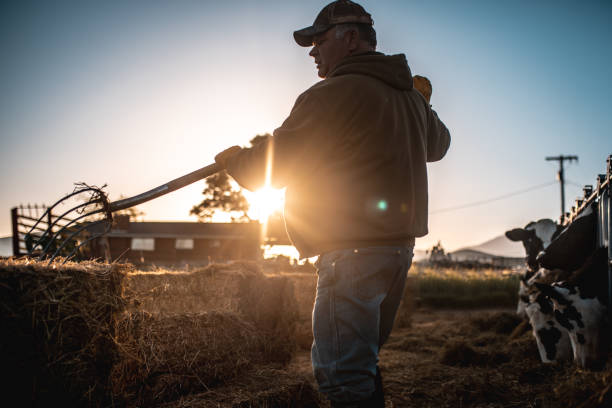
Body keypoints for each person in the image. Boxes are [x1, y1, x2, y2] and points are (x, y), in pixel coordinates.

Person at [215, 1, 450, 406]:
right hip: (397, 253)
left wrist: (234, 159)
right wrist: (422, 105)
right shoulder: (410, 97)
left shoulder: (330, 94)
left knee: (343, 374)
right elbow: (439, 146)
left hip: (352, 254)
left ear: (351, 39)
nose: (312, 52)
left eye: (318, 41)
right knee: (362, 363)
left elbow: (268, 170)